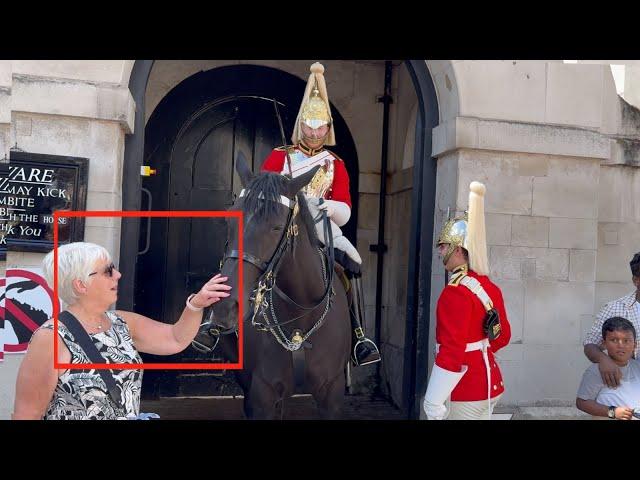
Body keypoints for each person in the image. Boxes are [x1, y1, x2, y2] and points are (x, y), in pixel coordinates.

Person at [12, 241, 231, 420]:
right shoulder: (51, 339)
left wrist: (196, 304)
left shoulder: (122, 323)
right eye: (108, 271)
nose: (118, 275)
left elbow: (175, 339)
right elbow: (27, 414)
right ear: (81, 285)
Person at [261, 62, 380, 367]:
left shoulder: (335, 163)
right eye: (309, 125)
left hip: (320, 226)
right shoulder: (279, 156)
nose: (314, 133)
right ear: (301, 124)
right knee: (246, 258)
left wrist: (329, 207)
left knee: (352, 266)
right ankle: (222, 324)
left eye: (320, 126)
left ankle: (359, 336)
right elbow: (262, 192)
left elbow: (345, 208)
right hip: (279, 223)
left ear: (328, 128)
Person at [422, 182, 512, 420]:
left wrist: (432, 400)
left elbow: (452, 351)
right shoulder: (489, 286)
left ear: (459, 250)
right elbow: (502, 338)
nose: (440, 251)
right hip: (490, 384)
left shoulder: (455, 293)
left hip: (466, 392)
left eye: (444, 245)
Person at [583, 252, 640, 389]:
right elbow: (590, 344)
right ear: (636, 280)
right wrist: (604, 360)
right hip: (627, 389)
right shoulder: (615, 308)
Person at [577, 316, 640, 420]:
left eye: (626, 340)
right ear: (604, 343)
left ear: (635, 344)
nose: (621, 345)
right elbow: (582, 402)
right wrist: (612, 412)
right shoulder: (596, 371)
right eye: (614, 340)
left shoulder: (637, 367)